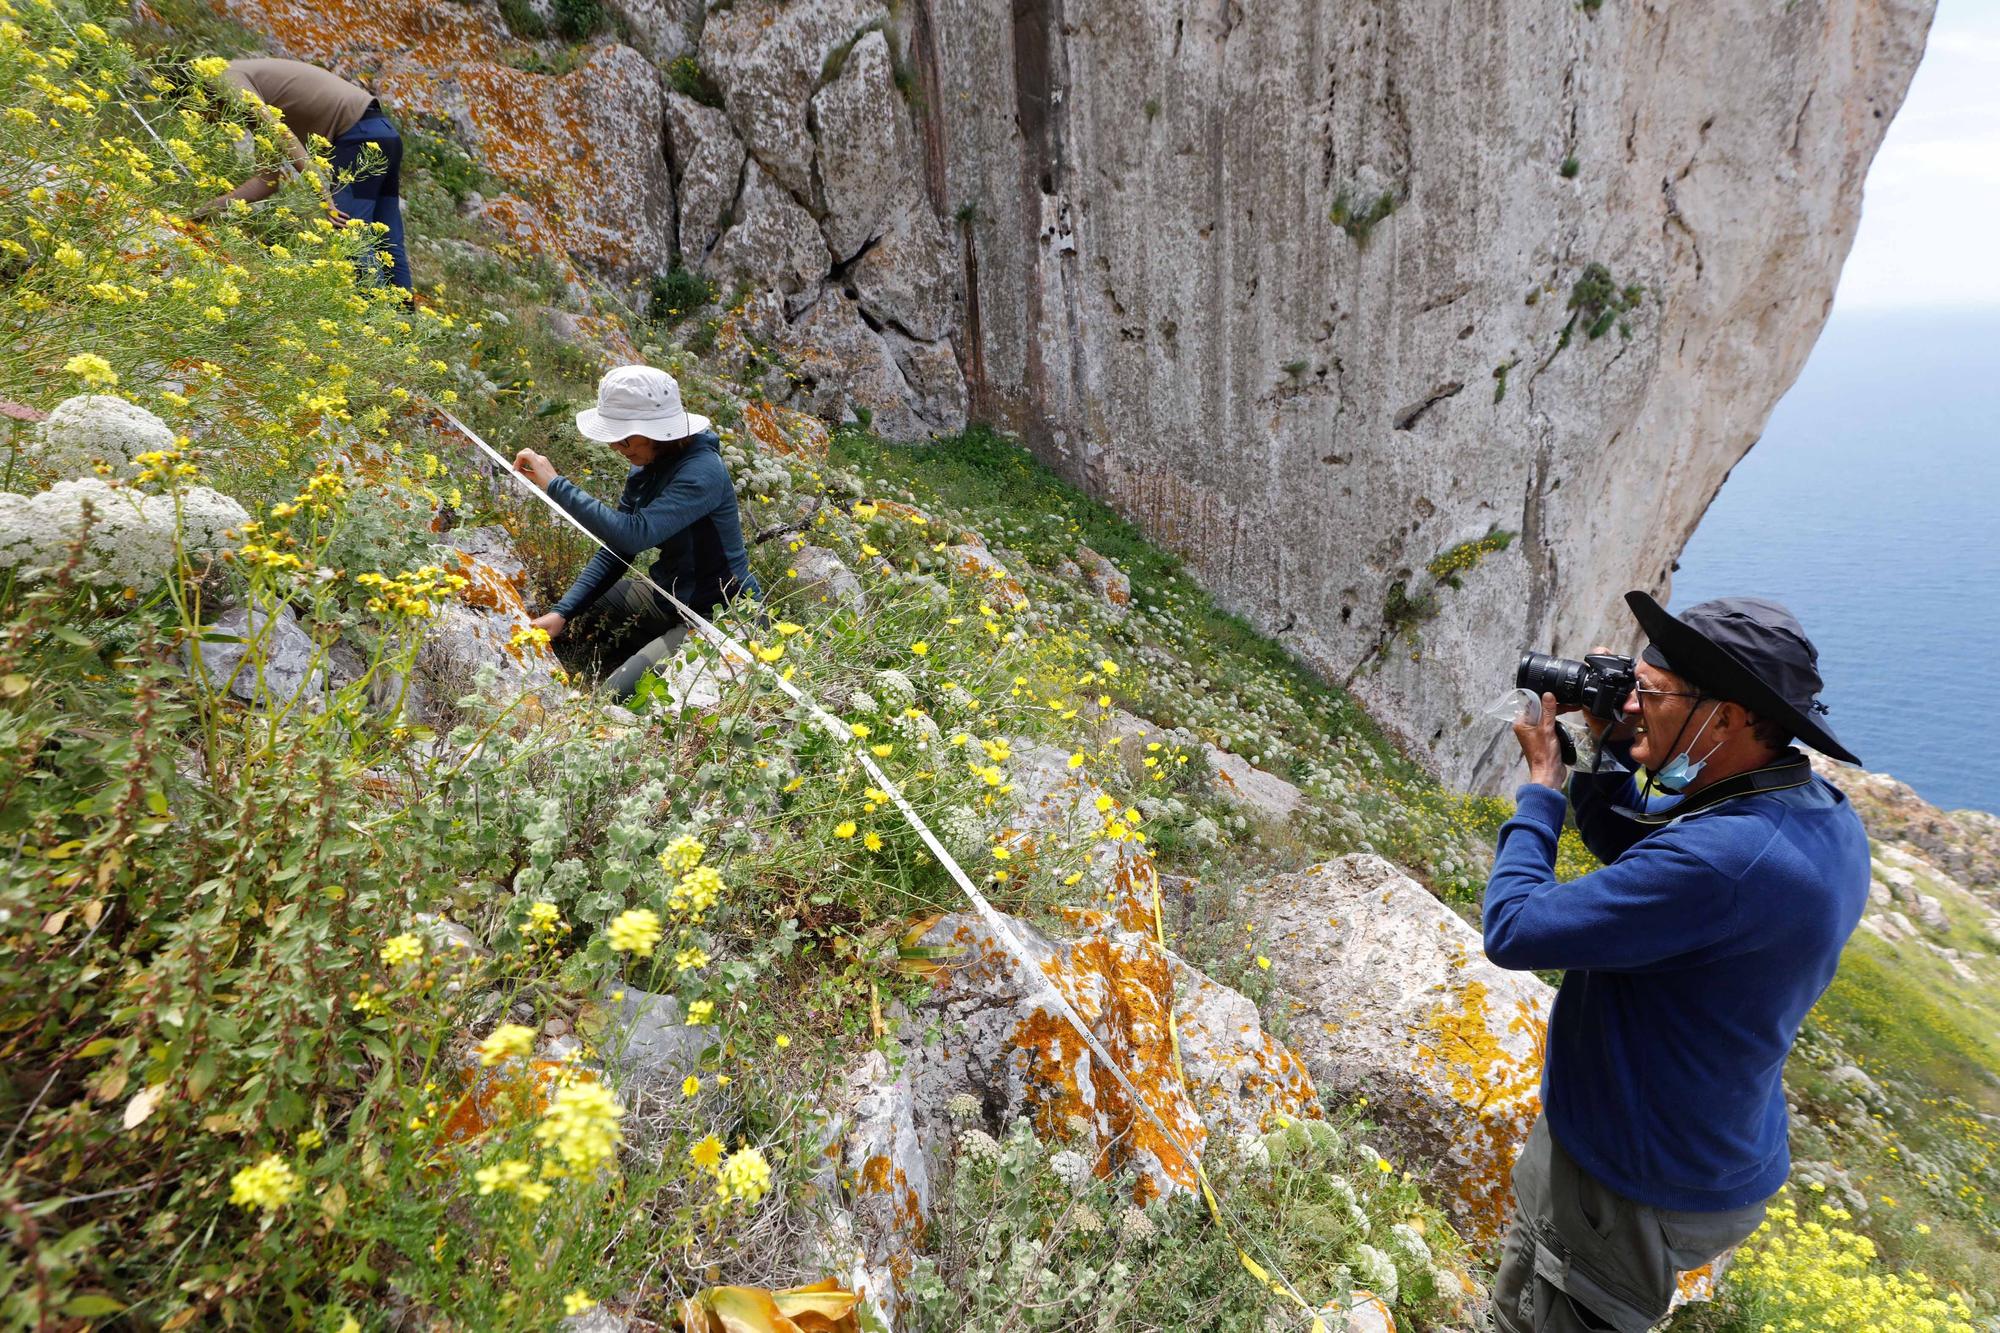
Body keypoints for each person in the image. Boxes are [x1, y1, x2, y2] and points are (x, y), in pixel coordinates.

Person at [1481, 592, 1870, 1332]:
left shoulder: (1726, 861)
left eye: (1648, 695)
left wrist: (1541, 795)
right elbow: (1647, 859)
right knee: (1523, 1285)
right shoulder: (1815, 813)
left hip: (1628, 1187)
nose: (1629, 703)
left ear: (1725, 717)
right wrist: (1604, 750)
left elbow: (1514, 927)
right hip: (1698, 1144)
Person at [515, 365, 758, 699]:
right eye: (614, 436)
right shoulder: (648, 463)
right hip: (668, 598)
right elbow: (618, 548)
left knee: (610, 697)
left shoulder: (702, 472)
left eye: (625, 436)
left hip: (719, 618)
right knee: (571, 609)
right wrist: (564, 611)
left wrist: (557, 486)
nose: (617, 445)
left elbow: (633, 534)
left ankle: (657, 659)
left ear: (659, 431)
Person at [199, 58, 413, 292]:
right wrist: (208, 209)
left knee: (350, 235)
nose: (208, 122)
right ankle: (404, 322)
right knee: (387, 239)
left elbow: (282, 134)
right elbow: (267, 182)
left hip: (359, 138)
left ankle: (376, 320)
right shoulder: (257, 101)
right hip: (384, 132)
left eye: (202, 114)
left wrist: (323, 193)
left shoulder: (223, 76)